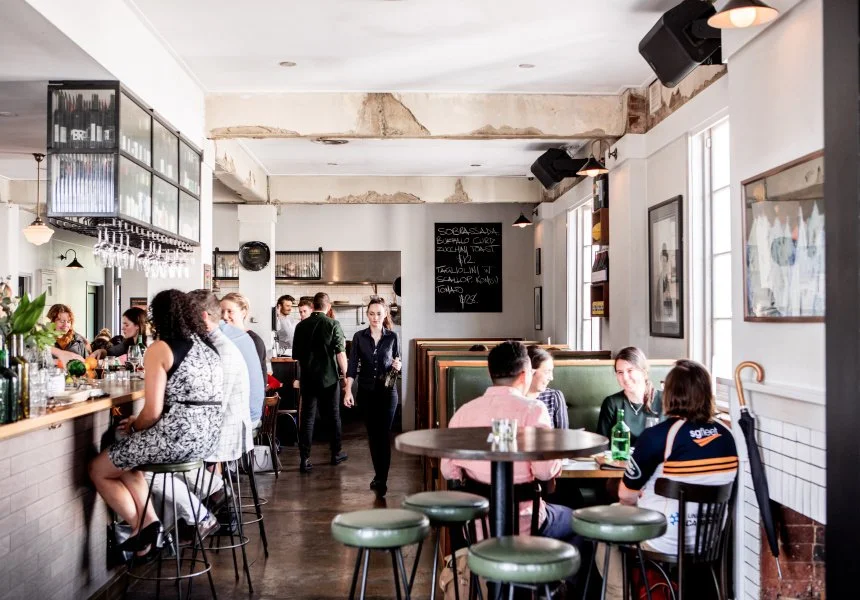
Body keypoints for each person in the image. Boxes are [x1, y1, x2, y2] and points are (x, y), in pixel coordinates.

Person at [88, 290, 224, 559]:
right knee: (124, 451)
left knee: (98, 468)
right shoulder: (209, 347)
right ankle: (148, 527)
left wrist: (134, 425)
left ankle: (144, 526)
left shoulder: (161, 348)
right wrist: (137, 428)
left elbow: (151, 412)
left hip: (176, 439)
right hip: (207, 439)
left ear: (158, 317)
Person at [597, 360, 739, 600]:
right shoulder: (727, 434)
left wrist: (638, 498)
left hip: (663, 540)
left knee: (605, 531)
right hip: (710, 540)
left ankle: (622, 595)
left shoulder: (656, 437)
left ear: (670, 394)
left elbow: (626, 496)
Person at [440, 341, 576, 542]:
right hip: (527, 525)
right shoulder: (534, 410)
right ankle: (543, 562)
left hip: (477, 528)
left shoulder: (464, 413)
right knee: (578, 523)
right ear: (524, 374)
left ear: (491, 374)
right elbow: (545, 472)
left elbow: (448, 471)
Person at [343, 297, 401, 497]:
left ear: (385, 315)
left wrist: (398, 365)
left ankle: (382, 479)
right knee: (373, 436)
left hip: (388, 392)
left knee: (383, 435)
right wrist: (348, 390)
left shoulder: (392, 337)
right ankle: (378, 474)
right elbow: (352, 366)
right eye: (371, 314)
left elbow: (397, 361)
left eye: (378, 313)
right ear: (367, 315)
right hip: (366, 392)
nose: (375, 317)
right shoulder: (359, 337)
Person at [292, 292, 349, 473]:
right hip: (329, 379)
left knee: (307, 418)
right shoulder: (333, 324)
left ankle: (304, 459)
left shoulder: (300, 326)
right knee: (333, 416)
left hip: (308, 379)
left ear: (313, 306)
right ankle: (336, 453)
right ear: (328, 306)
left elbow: (296, 356)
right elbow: (340, 353)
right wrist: (346, 376)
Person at [596, 347, 663, 445]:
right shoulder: (611, 403)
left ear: (643, 372)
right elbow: (601, 445)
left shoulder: (665, 400)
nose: (625, 378)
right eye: (620, 372)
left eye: (630, 370)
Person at [221, 292, 268, 397]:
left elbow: (257, 380)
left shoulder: (253, 340)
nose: (224, 316)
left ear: (243, 312)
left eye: (230, 311)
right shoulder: (221, 338)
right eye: (222, 311)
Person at [525, 346, 569, 430]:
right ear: (530, 372)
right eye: (547, 372)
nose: (551, 378)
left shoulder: (554, 397)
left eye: (551, 371)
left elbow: (563, 434)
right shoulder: (513, 398)